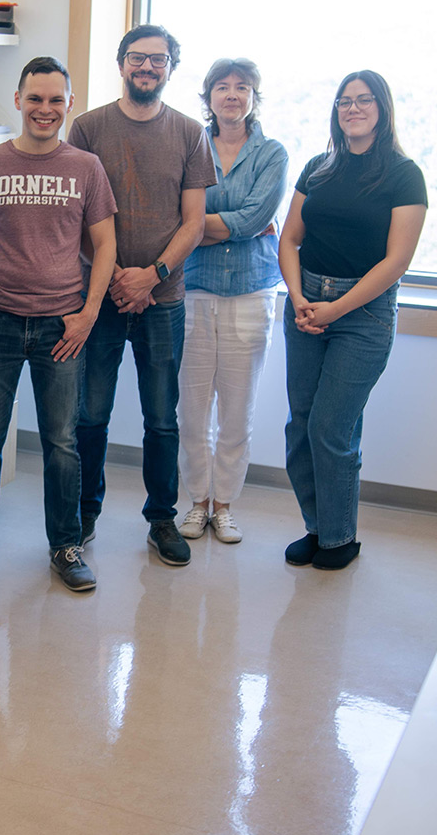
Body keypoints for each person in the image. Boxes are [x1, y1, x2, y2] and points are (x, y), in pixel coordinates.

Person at [0, 56, 116, 592]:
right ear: (18, 100)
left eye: (55, 100)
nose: (45, 109)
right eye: (35, 98)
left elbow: (105, 245)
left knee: (62, 442)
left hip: (62, 326)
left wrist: (89, 313)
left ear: (69, 104)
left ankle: (66, 545)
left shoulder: (86, 167)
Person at [68, 24, 216, 567]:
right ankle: (83, 515)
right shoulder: (88, 128)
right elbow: (74, 215)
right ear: (121, 64)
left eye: (158, 59)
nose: (146, 67)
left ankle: (161, 519)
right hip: (99, 297)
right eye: (137, 58)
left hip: (164, 299)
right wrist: (114, 279)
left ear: (171, 67)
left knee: (161, 418)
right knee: (90, 415)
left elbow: (194, 222)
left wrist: (151, 276)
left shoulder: (190, 133)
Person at [279, 70, 427, 570]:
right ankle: (317, 528)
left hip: (363, 313)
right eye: (344, 101)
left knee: (330, 427)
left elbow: (396, 261)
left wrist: (335, 309)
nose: (353, 109)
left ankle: (340, 538)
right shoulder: (317, 168)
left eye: (364, 100)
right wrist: (299, 298)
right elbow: (289, 239)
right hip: (306, 303)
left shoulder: (404, 175)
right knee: (301, 425)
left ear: (382, 109)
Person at [176, 58, 289, 545]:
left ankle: (224, 506)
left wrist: (195, 226)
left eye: (242, 87)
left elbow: (256, 217)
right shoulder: (189, 146)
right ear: (209, 97)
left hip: (251, 290)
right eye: (222, 87)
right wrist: (224, 224)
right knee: (192, 409)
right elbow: (177, 216)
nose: (232, 95)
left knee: (237, 411)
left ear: (253, 97)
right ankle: (197, 502)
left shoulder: (272, 153)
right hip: (193, 289)